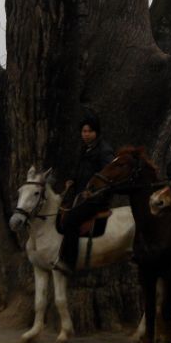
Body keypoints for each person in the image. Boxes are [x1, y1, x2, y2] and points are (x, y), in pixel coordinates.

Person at [55, 112, 115, 274]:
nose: (86, 134)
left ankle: (69, 262)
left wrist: (94, 193)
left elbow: (109, 178)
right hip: (81, 196)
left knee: (70, 220)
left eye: (89, 131)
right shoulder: (86, 148)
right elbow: (83, 171)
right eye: (83, 131)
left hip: (96, 200)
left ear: (96, 132)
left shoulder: (104, 151)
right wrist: (72, 180)